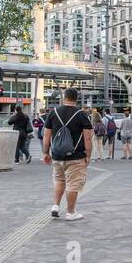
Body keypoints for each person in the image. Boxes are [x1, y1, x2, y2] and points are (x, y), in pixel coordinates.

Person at [43, 88, 93, 221]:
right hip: (75, 156)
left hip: (57, 155)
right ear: (76, 99)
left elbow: (46, 135)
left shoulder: (53, 113)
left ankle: (55, 206)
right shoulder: (82, 114)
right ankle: (71, 212)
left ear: (64, 97)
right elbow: (88, 138)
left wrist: (45, 153)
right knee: (73, 184)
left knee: (59, 180)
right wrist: (88, 155)